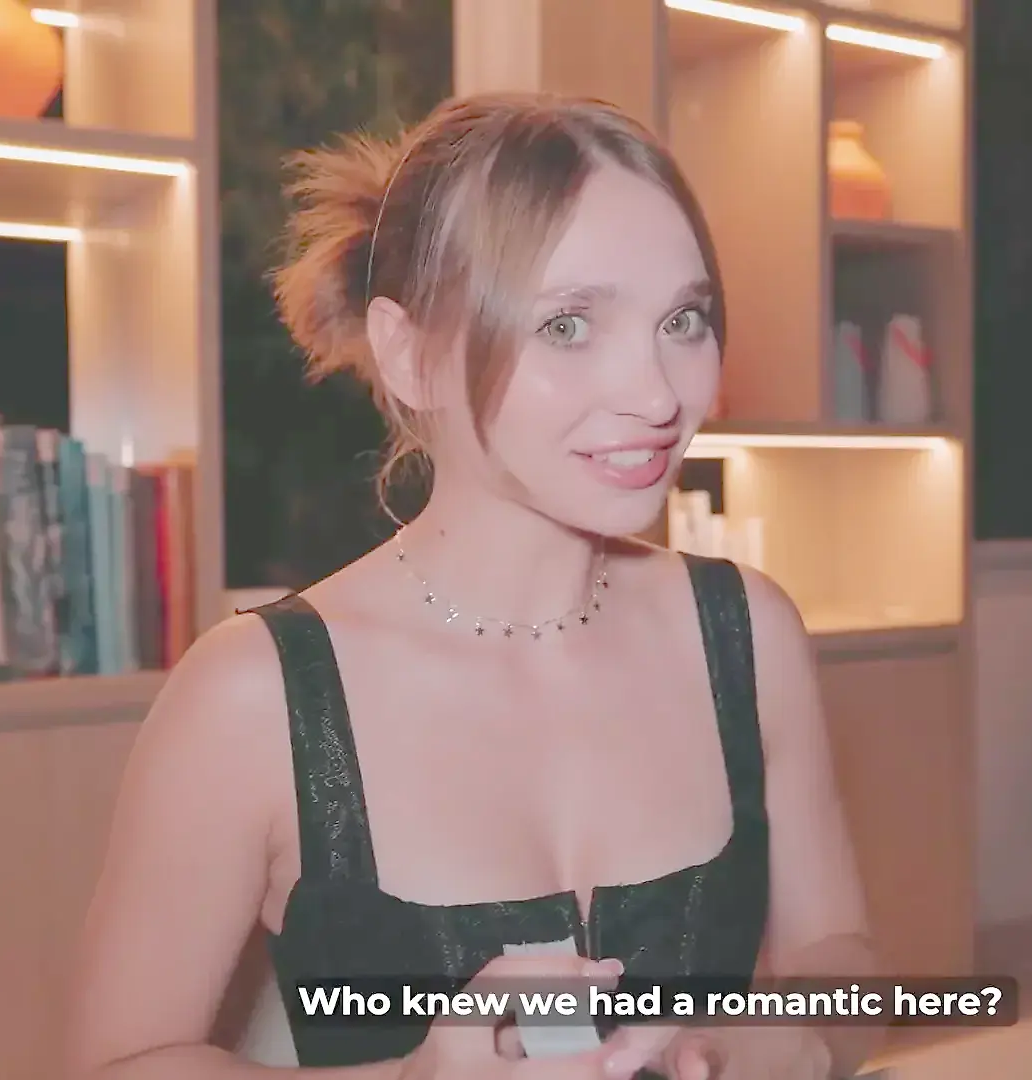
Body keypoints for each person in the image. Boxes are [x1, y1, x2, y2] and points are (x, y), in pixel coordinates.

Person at [66, 93, 877, 1080]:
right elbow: (118, 1065)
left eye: (683, 320)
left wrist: (792, 1036)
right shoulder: (254, 696)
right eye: (569, 325)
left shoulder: (747, 634)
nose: (658, 393)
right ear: (410, 354)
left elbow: (845, 961)